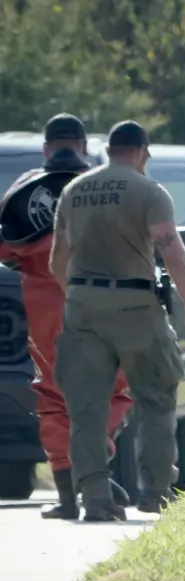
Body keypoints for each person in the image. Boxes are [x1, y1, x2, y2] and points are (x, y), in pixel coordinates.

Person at [51, 120, 185, 520]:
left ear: (109, 150)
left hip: (83, 304)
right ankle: (156, 490)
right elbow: (172, 253)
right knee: (156, 397)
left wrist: (76, 298)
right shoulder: (148, 191)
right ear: (142, 151)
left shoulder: (74, 191)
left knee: (86, 407)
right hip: (136, 306)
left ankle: (96, 496)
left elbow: (58, 259)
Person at [0, 114, 135, 519]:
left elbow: (5, 251)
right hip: (103, 302)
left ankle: (67, 496)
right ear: (84, 146)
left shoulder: (22, 191)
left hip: (44, 308)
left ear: (46, 147)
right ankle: (94, 470)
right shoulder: (108, 186)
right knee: (111, 391)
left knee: (54, 398)